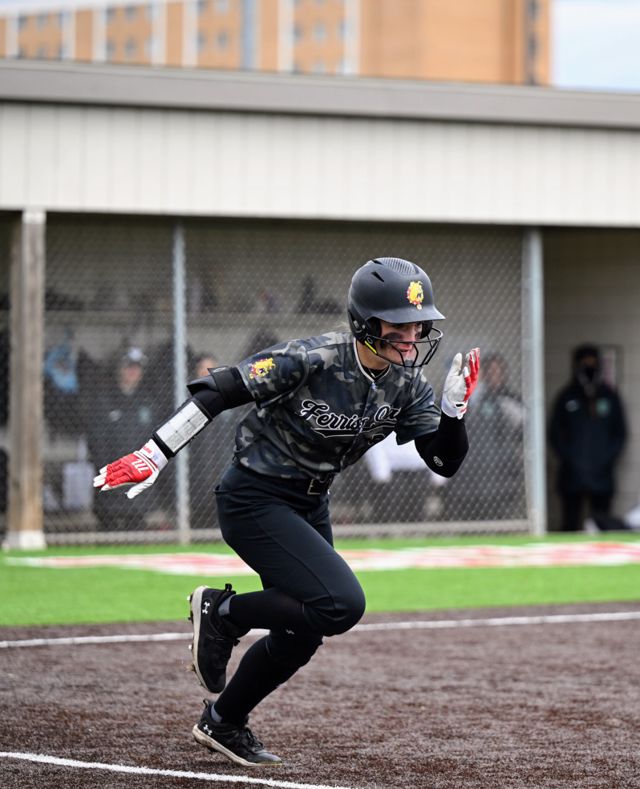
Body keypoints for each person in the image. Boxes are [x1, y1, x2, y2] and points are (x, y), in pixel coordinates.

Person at [93, 257, 480, 766]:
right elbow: (218, 390)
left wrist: (454, 414)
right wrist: (154, 454)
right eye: (398, 325)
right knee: (342, 604)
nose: (411, 337)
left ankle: (222, 721)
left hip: (309, 502)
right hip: (254, 496)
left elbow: (443, 461)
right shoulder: (312, 357)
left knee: (304, 634)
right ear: (364, 322)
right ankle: (222, 614)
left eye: (418, 325)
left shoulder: (407, 385)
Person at [549, 343, 627, 532]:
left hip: (602, 474)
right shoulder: (566, 397)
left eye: (593, 362)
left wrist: (605, 458)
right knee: (571, 525)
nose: (589, 367)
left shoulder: (609, 396)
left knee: (601, 524)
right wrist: (570, 457)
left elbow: (620, 433)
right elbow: (555, 433)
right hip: (572, 474)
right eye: (585, 362)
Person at [87, 346, 158, 530]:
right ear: (119, 369)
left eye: (137, 367)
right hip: (112, 477)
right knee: (109, 528)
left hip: (139, 478)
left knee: (137, 528)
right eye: (129, 366)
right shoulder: (104, 400)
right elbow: (96, 441)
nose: (133, 371)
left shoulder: (147, 402)